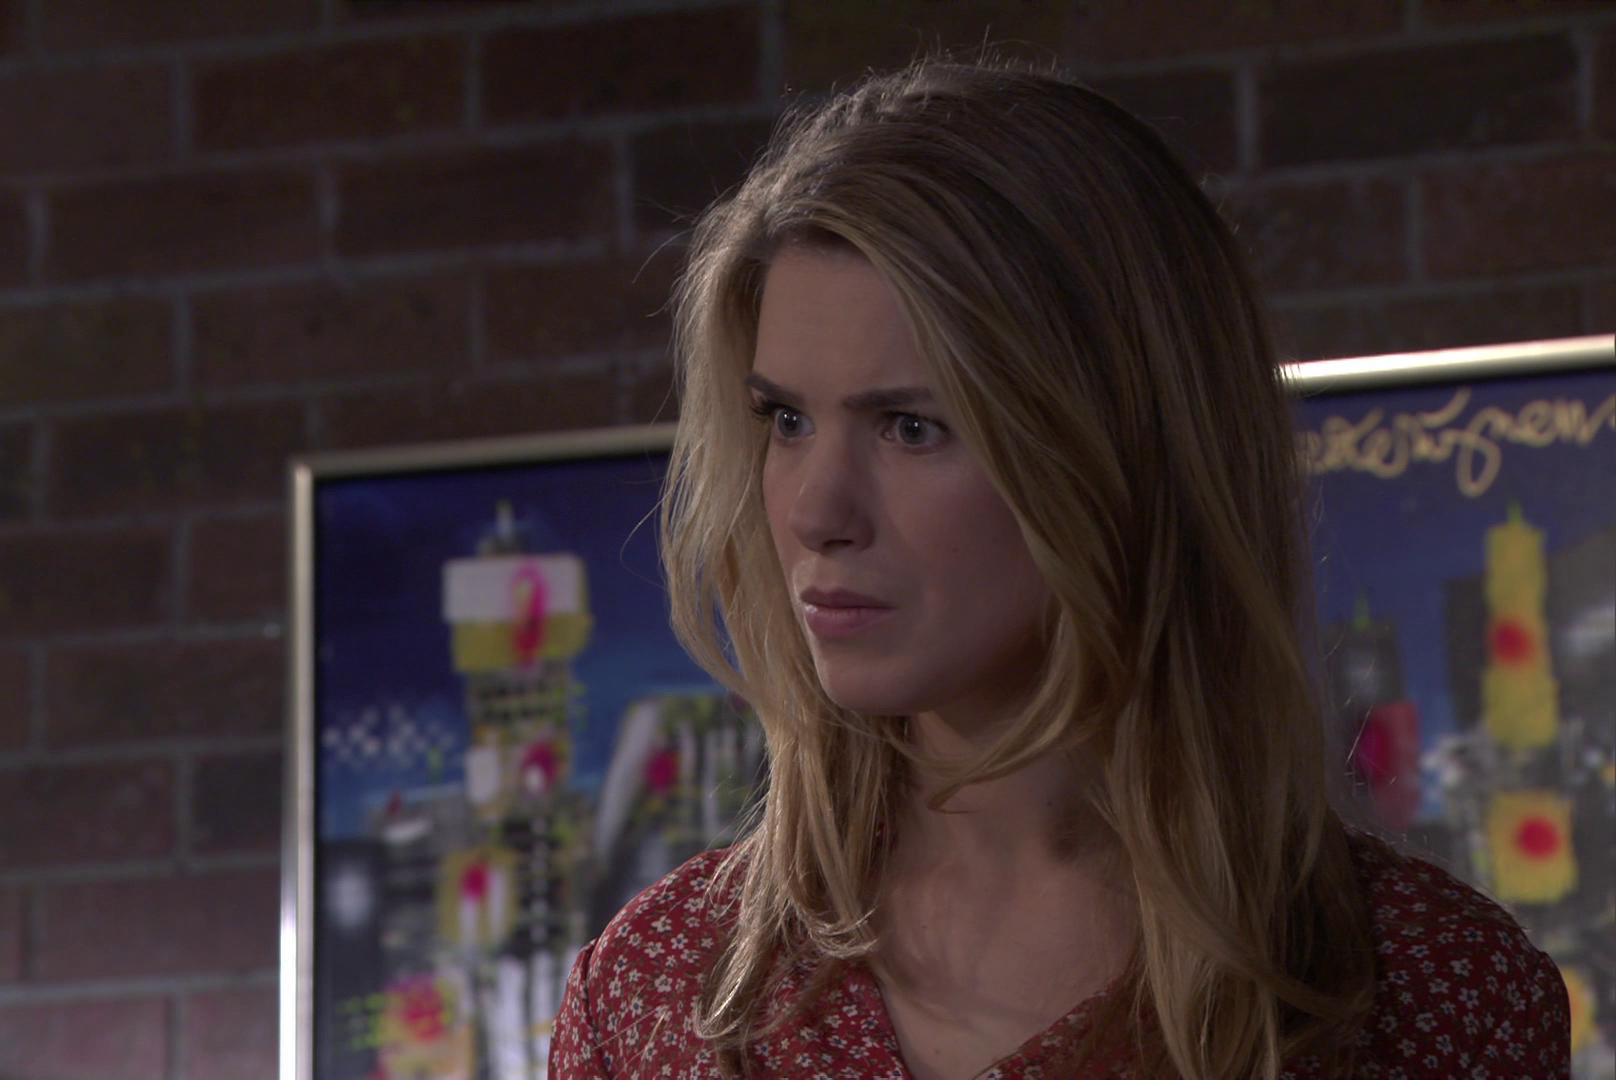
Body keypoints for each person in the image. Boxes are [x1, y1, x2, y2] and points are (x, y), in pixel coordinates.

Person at [549, 44, 1574, 1080]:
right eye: (785, 420)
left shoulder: (1433, 995)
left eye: (910, 427)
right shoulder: (660, 994)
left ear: (1120, 451)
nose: (816, 512)